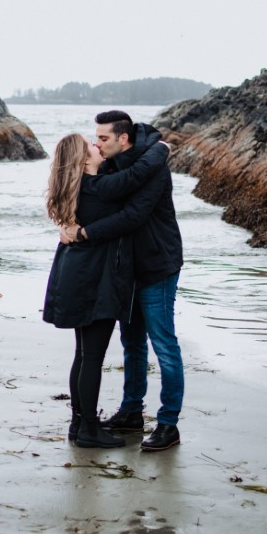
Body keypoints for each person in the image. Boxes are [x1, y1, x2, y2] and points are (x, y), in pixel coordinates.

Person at [60, 110, 184, 453]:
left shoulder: (153, 165)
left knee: (164, 344)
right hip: (125, 270)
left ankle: (168, 423)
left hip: (157, 264)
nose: (97, 143)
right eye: (95, 139)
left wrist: (82, 232)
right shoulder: (112, 164)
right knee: (132, 343)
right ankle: (131, 411)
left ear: (123, 138)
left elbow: (132, 215)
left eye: (103, 138)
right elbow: (96, 195)